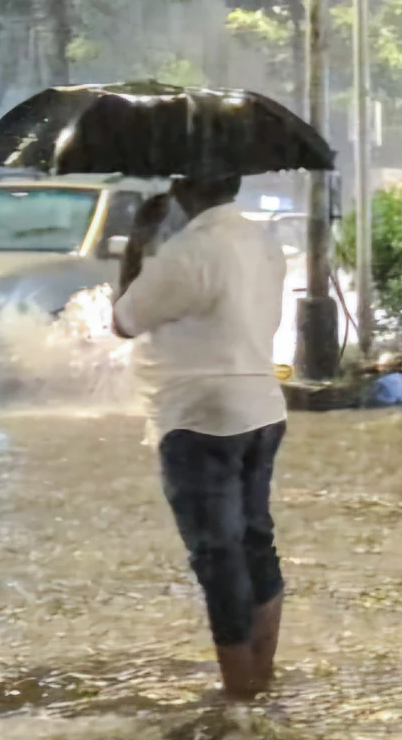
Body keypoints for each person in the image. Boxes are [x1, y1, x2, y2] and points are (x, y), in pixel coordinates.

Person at [112, 173, 292, 703]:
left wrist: (137, 244)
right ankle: (261, 677)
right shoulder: (264, 244)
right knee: (255, 541)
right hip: (262, 406)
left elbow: (124, 320)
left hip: (200, 416)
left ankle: (239, 694)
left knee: (218, 556)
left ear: (186, 190)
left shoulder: (188, 252)